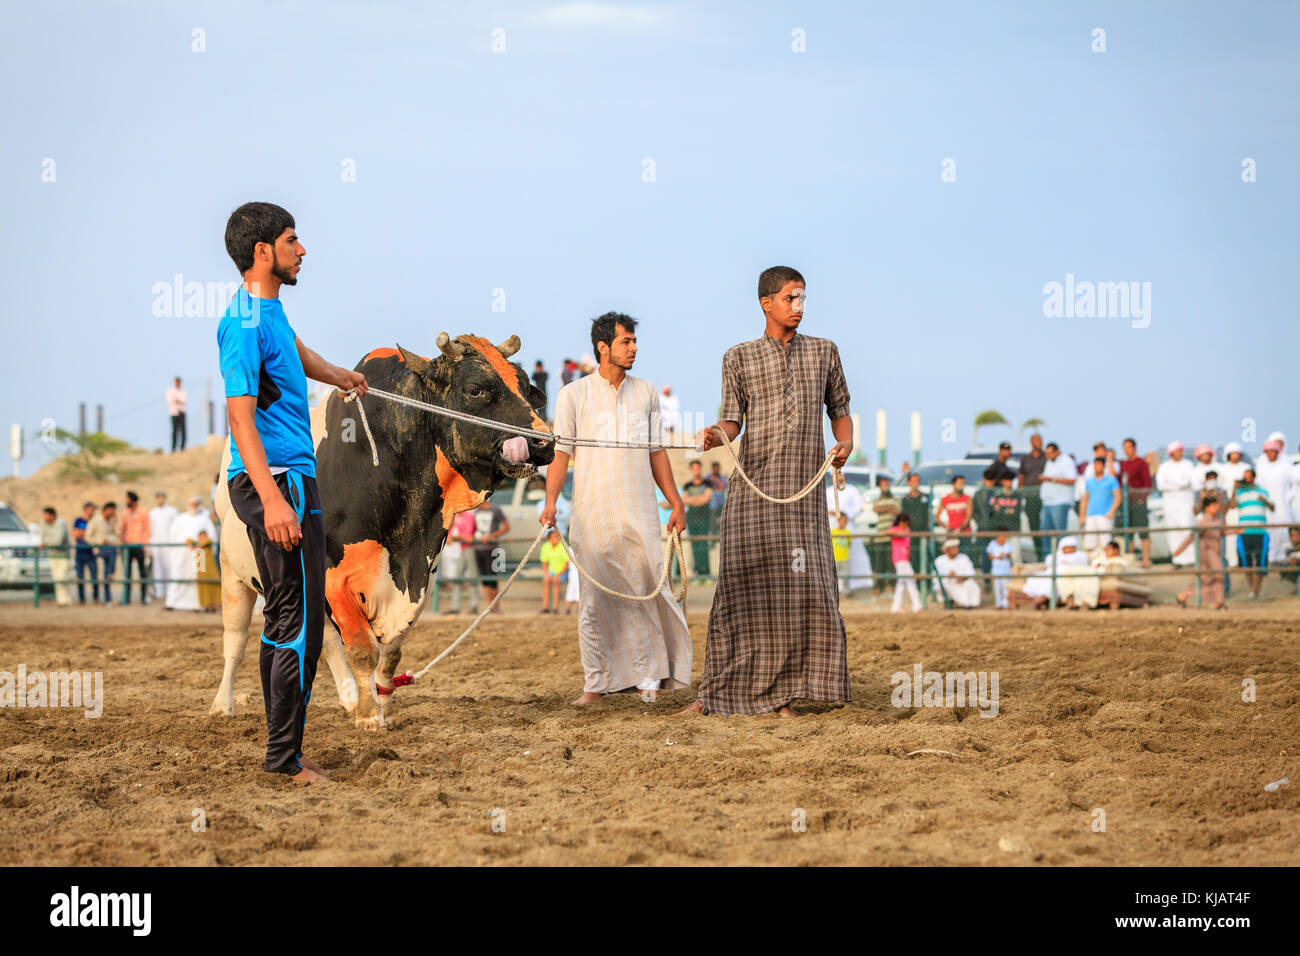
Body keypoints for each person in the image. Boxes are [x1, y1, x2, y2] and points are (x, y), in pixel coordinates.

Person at [218, 201, 367, 782]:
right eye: (292, 240)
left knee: (293, 616)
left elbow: (296, 352)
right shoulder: (242, 323)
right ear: (263, 252)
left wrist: (339, 376)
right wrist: (273, 498)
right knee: (297, 624)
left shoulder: (270, 313)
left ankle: (287, 753)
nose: (302, 250)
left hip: (293, 479)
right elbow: (240, 420)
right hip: (275, 481)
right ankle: (283, 760)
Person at [688, 266, 853, 717]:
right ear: (767, 303)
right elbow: (732, 421)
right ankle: (715, 695)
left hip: (804, 496)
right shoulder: (738, 357)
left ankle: (784, 695)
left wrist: (846, 444)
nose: (798, 307)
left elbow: (839, 410)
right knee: (741, 588)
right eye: (789, 298)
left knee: (806, 590)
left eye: (802, 299)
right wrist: (715, 435)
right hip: (753, 492)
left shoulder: (824, 352)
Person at [543, 311, 692, 706]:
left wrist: (675, 501)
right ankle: (596, 683)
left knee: (644, 590)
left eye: (635, 341)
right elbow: (561, 454)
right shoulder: (573, 395)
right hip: (591, 513)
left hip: (639, 512)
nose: (634, 348)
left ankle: (648, 677)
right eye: (626, 341)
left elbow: (657, 452)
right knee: (594, 599)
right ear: (603, 347)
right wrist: (550, 502)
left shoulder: (646, 392)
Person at [166, 496, 218, 611]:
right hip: (181, 555)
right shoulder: (179, 519)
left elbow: (212, 538)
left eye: (195, 504)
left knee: (197, 579)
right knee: (179, 575)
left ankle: (199, 604)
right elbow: (172, 537)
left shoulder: (205, 520)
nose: (193, 507)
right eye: (191, 504)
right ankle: (173, 602)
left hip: (199, 556)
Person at [1173, 494, 1226, 609]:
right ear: (1207, 508)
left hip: (1215, 553)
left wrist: (1238, 531)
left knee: (1204, 579)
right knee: (1216, 575)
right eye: (1213, 505)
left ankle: (1183, 596)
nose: (1216, 507)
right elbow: (1191, 537)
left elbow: (1223, 532)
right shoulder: (1202, 522)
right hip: (1206, 554)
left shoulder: (1217, 521)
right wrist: (1179, 551)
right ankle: (1218, 601)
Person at [1229, 468, 1273, 599]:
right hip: (1245, 532)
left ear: (1253, 478)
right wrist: (1234, 489)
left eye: (1247, 477)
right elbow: (1231, 506)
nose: (1245, 480)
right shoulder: (1240, 492)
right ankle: (1252, 589)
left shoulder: (1262, 491)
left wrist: (1264, 500)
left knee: (1260, 562)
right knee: (1246, 563)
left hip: (1260, 532)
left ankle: (1258, 589)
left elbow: (1272, 508)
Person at [1155, 441, 1196, 568]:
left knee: (1188, 530)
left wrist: (1171, 484)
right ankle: (1177, 559)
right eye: (1176, 450)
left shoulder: (1188, 464)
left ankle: (1192, 559)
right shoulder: (1164, 466)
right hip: (1170, 505)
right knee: (1173, 532)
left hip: (1185, 504)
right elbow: (1161, 485)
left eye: (1180, 450)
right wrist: (1177, 485)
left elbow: (1186, 482)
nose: (1179, 453)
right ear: (1171, 453)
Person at [1021, 535, 1089, 609]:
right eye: (1067, 547)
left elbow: (1078, 563)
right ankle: (1041, 603)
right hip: (1051, 573)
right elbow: (1049, 562)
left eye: (1071, 547)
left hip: (1064, 575)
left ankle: (1038, 601)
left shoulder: (1080, 555)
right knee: (1040, 582)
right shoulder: (1055, 556)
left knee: (1053, 583)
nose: (1069, 550)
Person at [1116, 437, 1153, 567]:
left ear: (1134, 448)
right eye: (1124, 448)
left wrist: (1140, 499)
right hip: (1126, 504)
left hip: (1138, 503)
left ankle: (1146, 559)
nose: (1127, 450)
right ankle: (1129, 559)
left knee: (1143, 531)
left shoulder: (1141, 463)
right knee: (1128, 533)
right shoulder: (1124, 464)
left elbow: (1147, 483)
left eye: (1129, 447)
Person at [1255, 438, 1293, 565]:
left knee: (1284, 530)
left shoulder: (1286, 466)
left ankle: (1285, 557)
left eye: (1273, 451)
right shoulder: (1261, 467)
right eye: (1268, 452)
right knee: (1269, 532)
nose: (1270, 454)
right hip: (1266, 505)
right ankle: (1270, 558)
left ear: (1278, 452)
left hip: (1283, 504)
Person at [438, 508, 479, 616]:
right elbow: (453, 534)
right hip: (462, 549)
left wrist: (454, 538)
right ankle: (455, 607)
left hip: (469, 549)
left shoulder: (468, 516)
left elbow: (468, 536)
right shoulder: (456, 517)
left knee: (472, 577)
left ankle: (474, 606)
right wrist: (453, 538)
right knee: (457, 578)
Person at [1039, 443, 1077, 557]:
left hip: (1060, 502)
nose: (1047, 456)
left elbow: (1071, 480)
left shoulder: (1067, 461)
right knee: (1045, 531)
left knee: (1060, 532)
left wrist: (1051, 479)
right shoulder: (1049, 462)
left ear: (1056, 451)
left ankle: (1063, 558)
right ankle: (1048, 558)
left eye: (1050, 453)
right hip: (1047, 502)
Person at [1218, 442, 1250, 576]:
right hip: (1229, 506)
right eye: (1233, 453)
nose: (1235, 456)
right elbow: (1221, 489)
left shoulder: (1246, 467)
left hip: (1244, 504)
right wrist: (1227, 502)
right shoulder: (1223, 469)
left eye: (1237, 453)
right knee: (1230, 533)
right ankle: (1232, 561)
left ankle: (1245, 561)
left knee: (1245, 531)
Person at [472, 499, 510, 611]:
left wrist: (492, 536)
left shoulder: (495, 509)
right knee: (484, 579)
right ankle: (489, 606)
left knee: (493, 578)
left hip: (492, 548)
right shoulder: (477, 511)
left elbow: (506, 527)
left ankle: (496, 607)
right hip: (479, 548)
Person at [681, 459, 714, 576]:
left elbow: (707, 498)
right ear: (691, 470)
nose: (696, 470)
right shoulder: (687, 485)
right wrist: (698, 499)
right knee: (694, 544)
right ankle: (698, 572)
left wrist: (693, 500)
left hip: (704, 517)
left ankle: (705, 572)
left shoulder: (707, 483)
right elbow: (684, 499)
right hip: (691, 517)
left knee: (703, 544)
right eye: (694, 468)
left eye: (698, 468)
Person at [1079, 456, 1120, 548]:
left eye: (1099, 464)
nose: (1097, 467)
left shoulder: (1111, 480)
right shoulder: (1089, 482)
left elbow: (1118, 497)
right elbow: (1085, 499)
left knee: (1106, 543)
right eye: (1095, 465)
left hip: (1105, 515)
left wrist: (1111, 512)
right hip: (1091, 515)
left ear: (1103, 466)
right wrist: (1082, 515)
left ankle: (1105, 562)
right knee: (1089, 543)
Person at [118, 491, 151, 604]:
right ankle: (126, 598)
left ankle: (143, 597)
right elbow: (122, 529)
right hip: (127, 546)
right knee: (127, 572)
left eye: (127, 499)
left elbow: (147, 528)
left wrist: (144, 543)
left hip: (139, 545)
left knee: (142, 572)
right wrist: (122, 542)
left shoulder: (143, 511)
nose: (126, 502)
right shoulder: (125, 513)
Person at [870, 475, 902, 589]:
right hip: (880, 535)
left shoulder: (895, 499)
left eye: (886, 484)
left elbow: (897, 511)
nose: (885, 486)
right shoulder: (877, 500)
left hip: (892, 536)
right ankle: (879, 586)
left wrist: (884, 508)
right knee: (879, 564)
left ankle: (891, 584)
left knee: (891, 562)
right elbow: (876, 509)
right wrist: (889, 508)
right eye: (883, 484)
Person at [86, 501, 120, 607]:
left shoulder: (112, 521)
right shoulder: (96, 521)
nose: (114, 512)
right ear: (107, 510)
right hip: (99, 551)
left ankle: (108, 599)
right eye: (112, 510)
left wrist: (116, 522)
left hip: (110, 550)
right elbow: (88, 536)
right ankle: (98, 598)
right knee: (99, 576)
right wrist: (99, 541)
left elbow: (118, 536)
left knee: (107, 576)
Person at [1018, 433, 1046, 557]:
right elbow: (1022, 476)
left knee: (1044, 526)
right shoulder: (1026, 459)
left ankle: (1047, 553)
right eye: (1036, 440)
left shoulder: (1046, 457)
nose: (1039, 442)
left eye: (1040, 440)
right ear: (1031, 442)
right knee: (1033, 526)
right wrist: (1020, 491)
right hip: (1030, 496)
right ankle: (1039, 554)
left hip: (1044, 496)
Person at [899, 471, 931, 576]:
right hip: (911, 533)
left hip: (924, 531)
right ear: (908, 483)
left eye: (917, 481)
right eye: (913, 481)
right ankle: (915, 579)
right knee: (913, 556)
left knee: (926, 556)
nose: (915, 483)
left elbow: (929, 514)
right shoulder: (905, 499)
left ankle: (926, 579)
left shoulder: (926, 497)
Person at [888, 514, 921, 613]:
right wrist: (897, 532)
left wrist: (898, 533)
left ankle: (895, 608)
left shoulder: (906, 530)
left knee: (901, 584)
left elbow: (903, 533)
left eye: (906, 523)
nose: (904, 525)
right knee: (911, 582)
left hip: (905, 559)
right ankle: (917, 606)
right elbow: (887, 532)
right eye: (902, 523)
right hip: (899, 559)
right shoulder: (894, 529)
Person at [148, 491, 178, 600]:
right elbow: (150, 530)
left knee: (169, 567)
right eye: (158, 498)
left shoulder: (172, 511)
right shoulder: (152, 513)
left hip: (169, 544)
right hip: (156, 544)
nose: (160, 500)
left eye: (162, 497)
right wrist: (149, 546)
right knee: (158, 569)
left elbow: (175, 528)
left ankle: (170, 592)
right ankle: (160, 592)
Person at [934, 538, 980, 608]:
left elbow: (971, 572)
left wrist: (962, 578)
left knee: (971, 584)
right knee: (941, 586)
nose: (956, 550)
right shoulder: (939, 560)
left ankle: (967, 605)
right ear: (947, 550)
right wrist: (948, 576)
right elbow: (935, 577)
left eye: (956, 547)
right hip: (947, 582)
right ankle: (949, 602)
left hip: (962, 581)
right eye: (953, 548)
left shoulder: (963, 558)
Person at [39, 507, 71, 606]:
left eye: (46, 515)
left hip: (63, 555)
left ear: (52, 515)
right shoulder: (43, 524)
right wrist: (47, 542)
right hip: (53, 555)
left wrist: (46, 543)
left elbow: (58, 540)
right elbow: (42, 537)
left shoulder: (61, 523)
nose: (44, 517)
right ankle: (61, 600)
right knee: (56, 578)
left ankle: (66, 599)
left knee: (62, 577)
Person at [538, 528, 569, 614]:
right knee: (546, 580)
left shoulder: (563, 546)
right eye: (553, 537)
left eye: (557, 536)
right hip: (551, 570)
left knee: (556, 581)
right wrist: (547, 573)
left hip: (562, 571)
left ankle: (555, 607)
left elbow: (567, 564)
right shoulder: (546, 546)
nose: (555, 538)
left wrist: (559, 574)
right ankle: (545, 607)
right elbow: (544, 563)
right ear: (549, 538)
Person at [72, 502, 98, 604]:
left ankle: (95, 598)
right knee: (80, 576)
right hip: (80, 552)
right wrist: (88, 533)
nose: (93, 511)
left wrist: (83, 533)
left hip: (91, 552)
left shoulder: (94, 521)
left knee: (94, 576)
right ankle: (81, 599)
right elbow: (76, 534)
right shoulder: (78, 520)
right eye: (92, 509)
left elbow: (96, 535)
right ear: (86, 509)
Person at [987, 531, 1013, 610]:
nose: (1004, 538)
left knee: (1005, 588)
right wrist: (998, 557)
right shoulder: (992, 544)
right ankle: (998, 604)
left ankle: (1006, 604)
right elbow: (990, 555)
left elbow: (1009, 555)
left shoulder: (1007, 544)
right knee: (997, 589)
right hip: (996, 571)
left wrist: (1005, 555)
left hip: (1005, 571)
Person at [167, 376, 188, 452]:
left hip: (182, 413)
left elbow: (183, 400)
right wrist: (177, 401)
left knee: (183, 431)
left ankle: (182, 448)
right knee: (174, 431)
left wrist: (176, 400)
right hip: (174, 413)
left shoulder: (183, 392)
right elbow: (170, 400)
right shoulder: (170, 391)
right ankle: (173, 448)